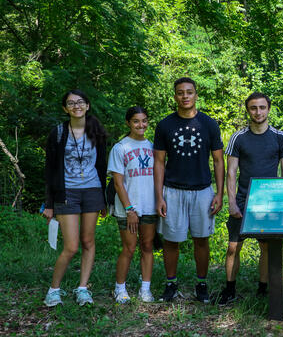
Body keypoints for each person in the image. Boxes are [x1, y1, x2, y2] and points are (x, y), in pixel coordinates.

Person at [213, 92, 283, 305]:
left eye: (262, 107)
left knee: (266, 248)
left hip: (270, 203)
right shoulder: (239, 137)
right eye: (253, 108)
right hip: (242, 201)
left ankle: (263, 288)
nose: (258, 112)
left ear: (268, 108)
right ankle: (229, 290)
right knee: (233, 247)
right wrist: (231, 203)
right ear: (247, 110)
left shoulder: (280, 137)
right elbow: (231, 172)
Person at [153, 77, 225, 303]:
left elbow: (218, 160)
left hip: (202, 190)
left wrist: (219, 193)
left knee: (202, 240)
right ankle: (171, 284)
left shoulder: (209, 124)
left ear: (196, 94)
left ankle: (201, 284)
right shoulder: (165, 125)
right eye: (180, 93)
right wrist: (159, 197)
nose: (185, 96)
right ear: (174, 96)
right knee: (171, 241)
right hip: (172, 190)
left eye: (189, 92)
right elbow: (159, 162)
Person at [43, 90, 108, 307]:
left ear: (87, 105)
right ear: (65, 108)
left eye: (80, 102)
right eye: (71, 103)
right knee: (70, 246)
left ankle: (82, 289)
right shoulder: (58, 132)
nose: (76, 106)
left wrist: (105, 199)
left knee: (88, 241)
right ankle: (53, 290)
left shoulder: (96, 131)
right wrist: (49, 204)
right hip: (66, 192)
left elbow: (102, 166)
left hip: (92, 191)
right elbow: (50, 170)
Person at [107, 106, 157, 303]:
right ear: (128, 123)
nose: (141, 125)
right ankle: (120, 288)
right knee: (129, 248)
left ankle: (146, 289)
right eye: (136, 121)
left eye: (144, 120)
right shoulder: (120, 148)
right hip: (128, 208)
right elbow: (118, 183)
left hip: (150, 205)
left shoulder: (153, 146)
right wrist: (130, 210)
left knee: (147, 246)